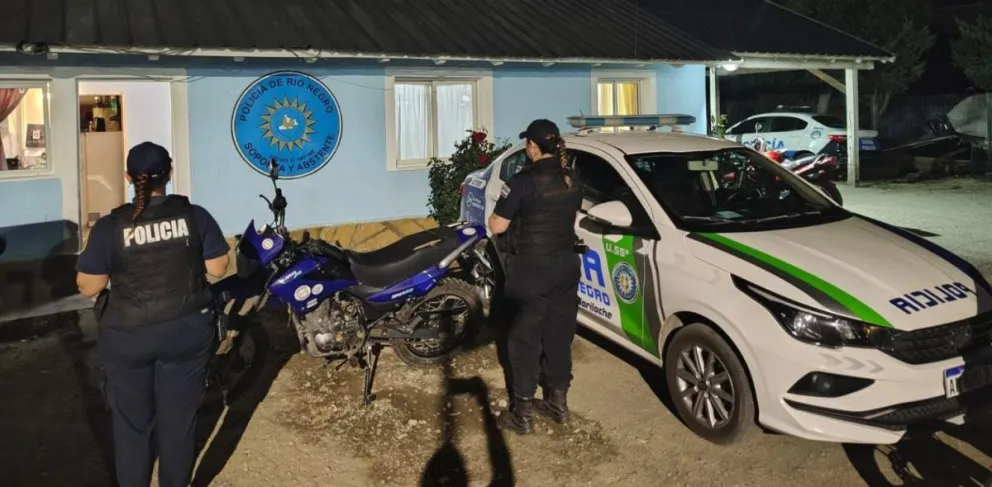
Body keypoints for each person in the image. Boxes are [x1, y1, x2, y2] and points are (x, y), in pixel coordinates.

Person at [75, 141, 231, 487]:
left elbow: (89, 286)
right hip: (185, 332)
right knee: (178, 423)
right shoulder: (195, 215)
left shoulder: (111, 226)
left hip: (128, 337)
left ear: (129, 177)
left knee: (132, 426)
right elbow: (219, 267)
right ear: (169, 174)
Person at [488, 119, 583, 435]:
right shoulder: (571, 178)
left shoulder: (522, 182)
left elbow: (497, 227)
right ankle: (557, 404)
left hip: (531, 268)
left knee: (524, 339)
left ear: (531, 146)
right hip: (566, 265)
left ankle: (523, 414)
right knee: (558, 335)